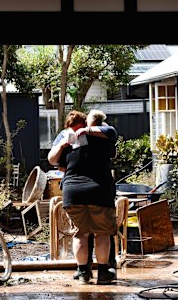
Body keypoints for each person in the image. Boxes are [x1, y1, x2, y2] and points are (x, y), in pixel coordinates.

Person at [48, 110, 118, 285]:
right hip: (99, 190)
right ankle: (103, 272)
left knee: (80, 234)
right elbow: (112, 138)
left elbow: (57, 164)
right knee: (102, 233)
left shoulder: (68, 143)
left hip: (73, 192)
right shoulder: (103, 138)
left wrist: (65, 146)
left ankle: (82, 273)